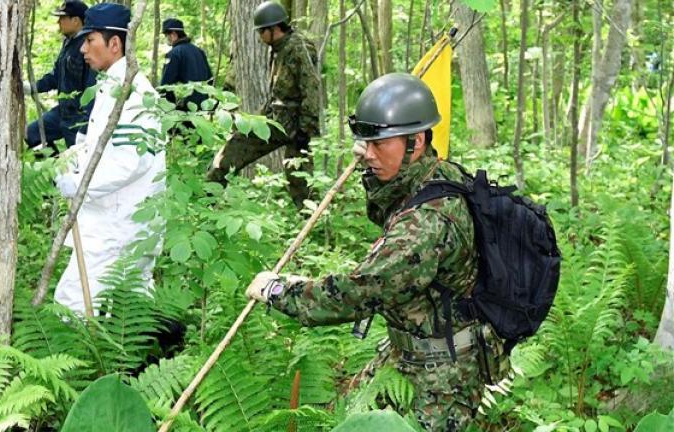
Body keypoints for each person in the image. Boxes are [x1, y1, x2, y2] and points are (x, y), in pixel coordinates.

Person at [245, 74, 506, 431]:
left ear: (415, 142)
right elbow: (391, 211)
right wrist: (372, 170)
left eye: (379, 144)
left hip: (443, 375)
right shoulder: (435, 172)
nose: (368, 154)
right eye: (366, 143)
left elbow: (360, 292)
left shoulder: (427, 225)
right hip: (407, 350)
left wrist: (278, 290)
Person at [54, 3, 166, 315]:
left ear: (114, 44)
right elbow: (103, 143)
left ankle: (85, 364)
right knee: (129, 315)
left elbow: (129, 161)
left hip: (118, 225)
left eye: (90, 41)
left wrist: (76, 184)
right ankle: (141, 363)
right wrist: (74, 155)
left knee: (74, 303)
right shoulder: (114, 86)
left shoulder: (133, 94)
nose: (83, 50)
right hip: (119, 221)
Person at [206, 1, 320, 209]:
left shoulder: (297, 47)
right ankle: (205, 205)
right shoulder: (279, 47)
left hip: (291, 123)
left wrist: (306, 130)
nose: (259, 37)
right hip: (278, 116)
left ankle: (315, 226)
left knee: (298, 178)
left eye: (261, 31)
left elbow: (311, 89)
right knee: (297, 178)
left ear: (274, 29)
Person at [24, 1, 96, 152]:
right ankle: (54, 170)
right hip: (62, 111)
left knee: (77, 158)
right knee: (32, 134)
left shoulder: (88, 47)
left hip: (79, 116)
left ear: (76, 20)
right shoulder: (68, 44)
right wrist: (32, 87)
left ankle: (66, 172)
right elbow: (56, 76)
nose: (58, 22)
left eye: (62, 18)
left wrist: (86, 121)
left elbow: (92, 88)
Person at [159, 17, 212, 109]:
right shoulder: (199, 51)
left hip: (185, 109)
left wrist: (168, 108)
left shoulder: (174, 54)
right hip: (204, 107)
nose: (167, 38)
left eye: (166, 35)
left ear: (173, 34)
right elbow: (210, 79)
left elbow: (166, 85)